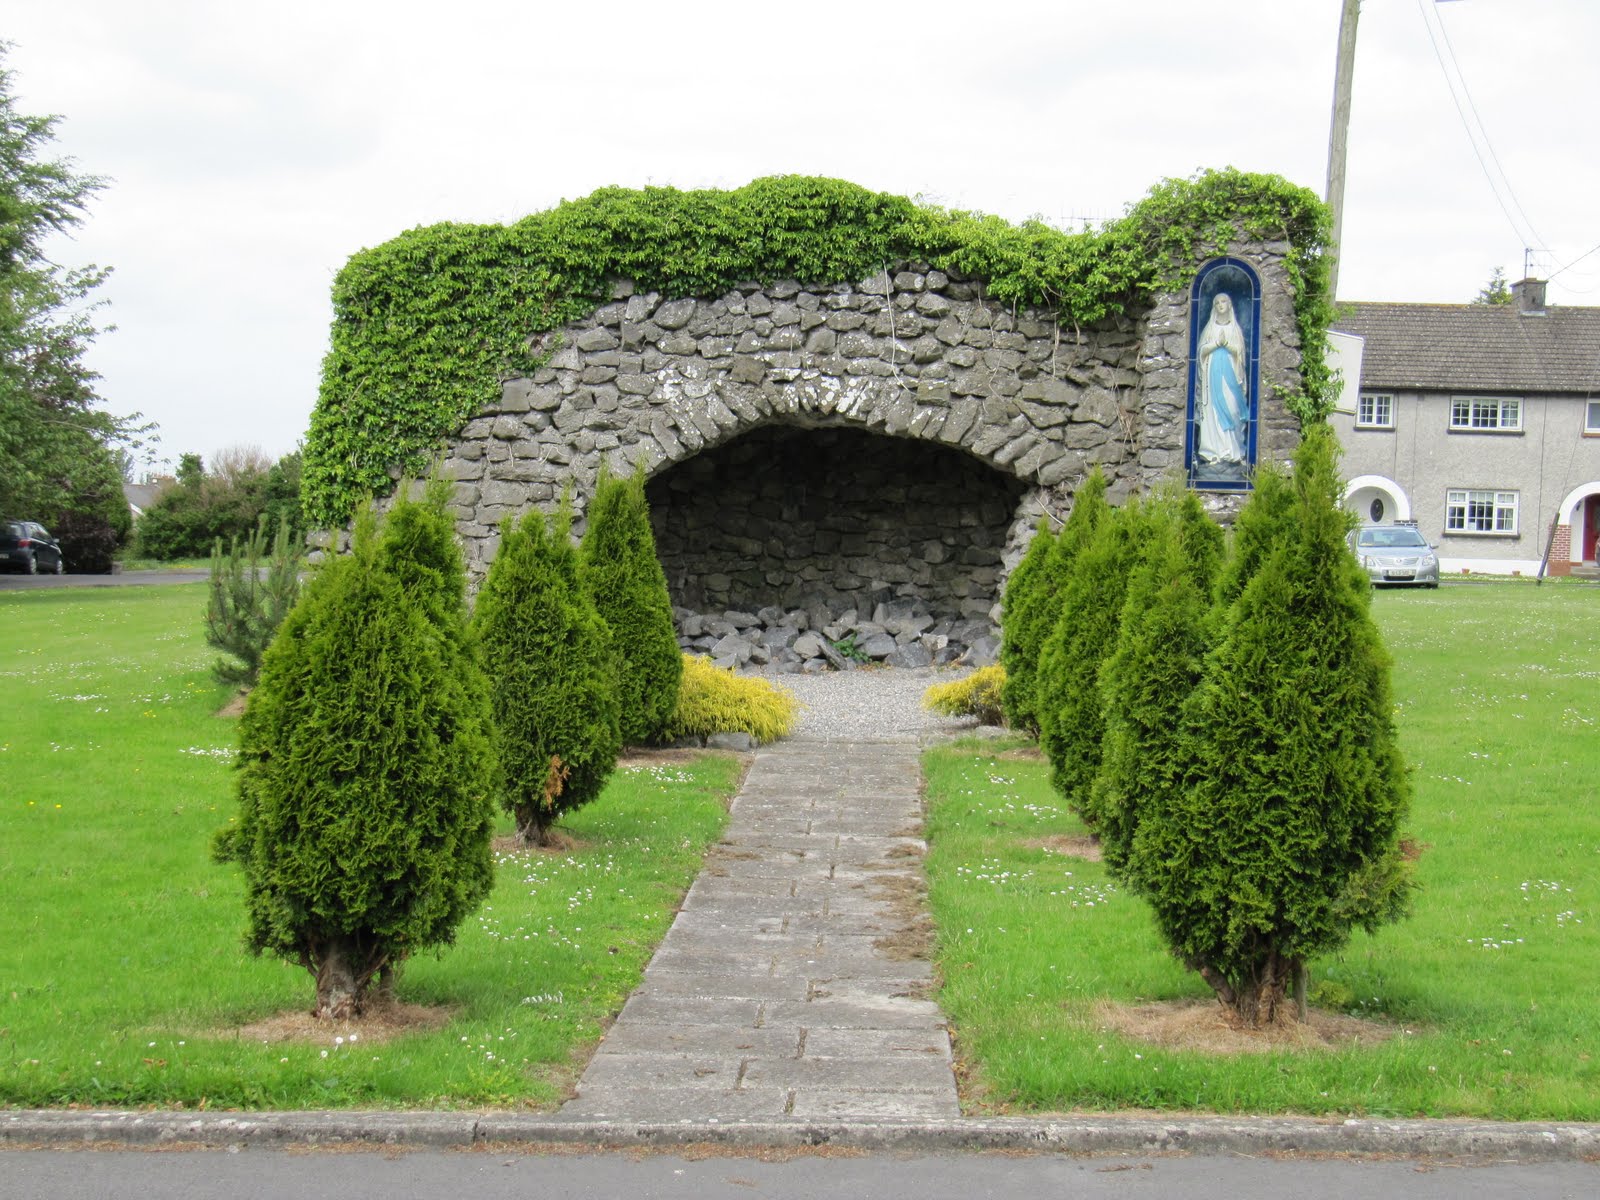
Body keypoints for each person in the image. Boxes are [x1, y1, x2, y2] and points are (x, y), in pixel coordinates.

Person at [1195, 292, 1248, 466]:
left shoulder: (1235, 329)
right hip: (1212, 378)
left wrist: (1227, 345)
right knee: (1213, 414)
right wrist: (1216, 344)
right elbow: (1201, 352)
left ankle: (1234, 450)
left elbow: (1240, 354)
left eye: (1224, 301)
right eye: (1217, 302)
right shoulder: (1209, 328)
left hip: (1230, 378)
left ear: (1230, 305)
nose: (1220, 305)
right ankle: (1213, 452)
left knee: (1233, 410)